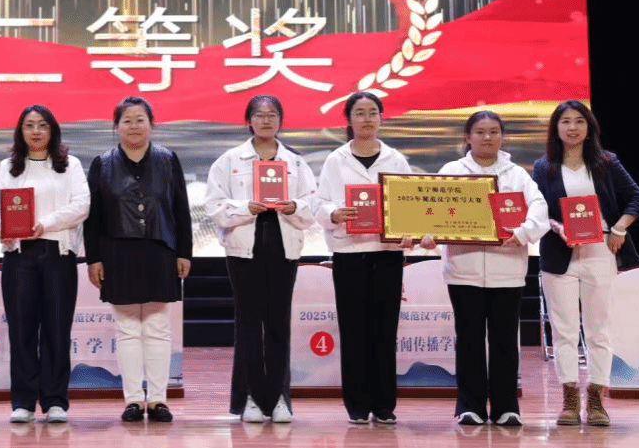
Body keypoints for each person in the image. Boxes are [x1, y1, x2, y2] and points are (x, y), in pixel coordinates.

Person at [532, 100, 639, 427]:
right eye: (566, 121)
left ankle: (596, 399)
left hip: (600, 251)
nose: (573, 127)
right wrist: (556, 226)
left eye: (579, 121)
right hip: (559, 254)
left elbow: (637, 199)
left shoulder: (606, 163)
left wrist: (620, 228)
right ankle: (570, 399)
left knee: (598, 329)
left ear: (589, 127)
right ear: (556, 128)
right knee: (564, 331)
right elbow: (536, 210)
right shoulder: (543, 167)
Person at [205, 94, 318, 424]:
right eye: (259, 114)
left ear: (280, 121)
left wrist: (294, 207)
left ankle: (279, 397)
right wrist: (245, 207)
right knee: (249, 324)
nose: (266, 120)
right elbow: (214, 206)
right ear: (248, 120)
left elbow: (312, 205)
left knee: (279, 324)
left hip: (283, 249)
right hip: (244, 251)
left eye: (272, 115)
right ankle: (252, 398)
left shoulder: (295, 163)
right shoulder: (229, 160)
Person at [434, 110, 548, 427]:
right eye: (480, 131)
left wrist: (522, 233)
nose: (487, 137)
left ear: (502, 137)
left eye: (494, 131)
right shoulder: (452, 172)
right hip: (463, 269)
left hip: (507, 270)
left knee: (504, 342)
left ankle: (506, 407)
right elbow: (432, 211)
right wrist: (426, 232)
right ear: (468, 137)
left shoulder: (517, 175)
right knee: (468, 339)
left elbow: (539, 209)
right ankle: (469, 406)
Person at [85, 96, 192, 423]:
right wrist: (93, 258)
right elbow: (93, 216)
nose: (134, 126)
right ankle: (133, 400)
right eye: (127, 120)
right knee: (128, 329)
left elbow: (181, 210)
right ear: (116, 127)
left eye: (140, 119)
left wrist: (184, 252)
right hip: (117, 252)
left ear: (152, 124)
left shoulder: (168, 159)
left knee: (158, 327)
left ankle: (158, 400)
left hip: (160, 249)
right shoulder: (102, 163)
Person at [315, 91, 413, 425]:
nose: (367, 119)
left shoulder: (396, 160)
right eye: (360, 112)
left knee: (385, 331)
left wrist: (408, 229)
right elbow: (320, 204)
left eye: (373, 112)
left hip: (387, 254)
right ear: (349, 119)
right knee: (354, 330)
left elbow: (409, 203)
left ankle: (384, 404)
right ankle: (356, 404)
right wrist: (334, 213)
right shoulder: (335, 160)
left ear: (381, 118)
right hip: (349, 254)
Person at [0, 105, 90, 424]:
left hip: (58, 254)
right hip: (19, 255)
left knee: (57, 329)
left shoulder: (70, 164)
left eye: (42, 125)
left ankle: (55, 400)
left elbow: (82, 205)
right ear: (20, 131)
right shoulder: (9, 166)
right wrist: (6, 229)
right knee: (21, 330)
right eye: (29, 125)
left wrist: (44, 224)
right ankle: (22, 401)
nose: (35, 131)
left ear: (52, 130)